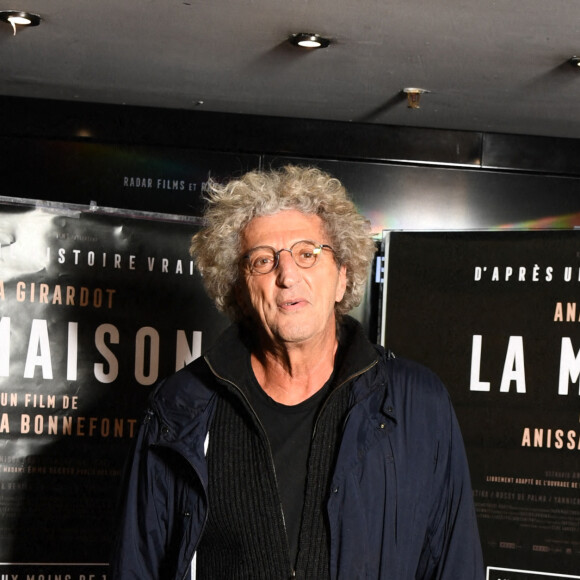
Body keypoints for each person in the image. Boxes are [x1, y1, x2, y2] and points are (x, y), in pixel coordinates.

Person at [110, 165, 484, 579]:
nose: (287, 276)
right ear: (239, 290)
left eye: (308, 254)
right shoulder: (180, 408)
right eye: (263, 261)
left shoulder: (418, 405)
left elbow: (455, 565)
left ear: (343, 277)